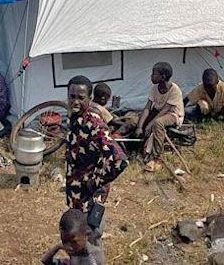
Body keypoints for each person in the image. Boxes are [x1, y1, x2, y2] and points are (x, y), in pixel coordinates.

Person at [64, 76, 128, 256]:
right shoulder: (75, 117)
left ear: (90, 98)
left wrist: (96, 181)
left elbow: (119, 159)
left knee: (90, 239)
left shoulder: (94, 123)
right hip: (76, 193)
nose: (75, 101)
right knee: (77, 237)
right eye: (72, 96)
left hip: (89, 196)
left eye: (81, 97)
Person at [135, 62, 184, 172]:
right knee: (138, 118)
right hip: (158, 112)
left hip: (173, 114)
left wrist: (149, 125)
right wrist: (140, 126)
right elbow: (147, 107)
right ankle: (139, 148)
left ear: (163, 77)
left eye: (154, 74)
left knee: (158, 123)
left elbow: (165, 110)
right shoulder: (155, 88)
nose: (151, 76)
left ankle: (157, 158)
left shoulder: (174, 90)